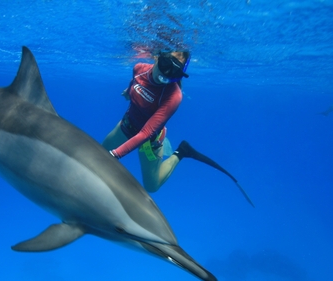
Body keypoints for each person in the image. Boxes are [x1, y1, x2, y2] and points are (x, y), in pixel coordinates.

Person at [102, 49, 254, 207]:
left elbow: (146, 132)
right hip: (127, 125)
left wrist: (116, 154)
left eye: (173, 72)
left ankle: (182, 152)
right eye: (165, 64)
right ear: (156, 58)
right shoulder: (139, 68)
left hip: (149, 141)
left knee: (151, 187)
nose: (164, 75)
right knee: (98, 155)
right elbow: (135, 82)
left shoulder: (174, 96)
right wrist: (128, 92)